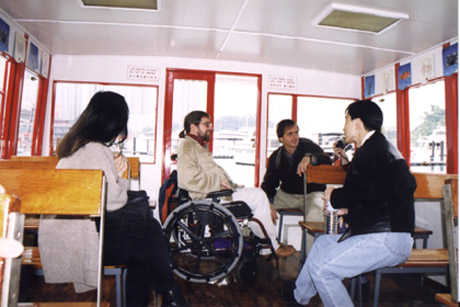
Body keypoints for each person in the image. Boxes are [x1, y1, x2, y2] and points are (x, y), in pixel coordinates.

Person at [38, 91, 186, 307]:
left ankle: (170, 295)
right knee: (148, 238)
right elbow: (114, 202)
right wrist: (122, 176)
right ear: (114, 122)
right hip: (80, 244)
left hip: (62, 237)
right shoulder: (97, 150)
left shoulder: (72, 146)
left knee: (146, 238)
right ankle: (170, 294)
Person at [285, 100, 416, 306]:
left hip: (384, 238)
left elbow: (364, 191)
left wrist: (334, 197)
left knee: (322, 269)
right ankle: (299, 298)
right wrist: (348, 207)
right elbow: (377, 192)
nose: (343, 126)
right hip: (388, 234)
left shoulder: (372, 152)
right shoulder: (381, 148)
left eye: (346, 120)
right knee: (321, 244)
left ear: (358, 123)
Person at [175, 110, 295, 258]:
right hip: (210, 197)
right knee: (259, 196)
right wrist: (218, 184)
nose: (210, 127)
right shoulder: (188, 146)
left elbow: (210, 174)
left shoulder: (196, 145)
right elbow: (187, 180)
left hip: (216, 193)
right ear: (193, 127)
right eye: (206, 124)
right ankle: (271, 245)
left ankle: (268, 243)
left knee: (257, 197)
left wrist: (233, 186)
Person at [261, 119, 331, 224]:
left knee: (316, 213)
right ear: (281, 138)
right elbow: (269, 184)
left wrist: (311, 158)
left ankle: (315, 241)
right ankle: (260, 239)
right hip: (287, 196)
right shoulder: (276, 157)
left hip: (312, 194)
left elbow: (328, 160)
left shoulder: (309, 146)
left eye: (296, 132)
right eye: (290, 134)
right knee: (262, 207)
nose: (295, 137)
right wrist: (268, 203)